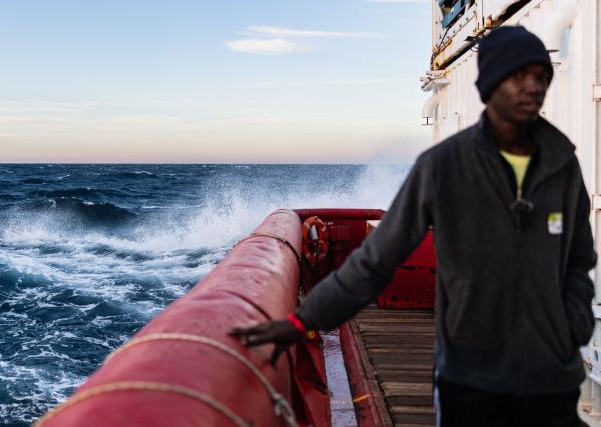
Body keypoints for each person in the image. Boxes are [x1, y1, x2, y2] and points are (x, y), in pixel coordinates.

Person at [231, 26, 596, 426]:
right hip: (472, 380)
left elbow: (578, 263)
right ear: (489, 85)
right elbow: (375, 262)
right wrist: (303, 320)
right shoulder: (443, 167)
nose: (533, 87)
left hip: (551, 379)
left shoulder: (563, 165)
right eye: (518, 75)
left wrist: (571, 326)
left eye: (541, 76)